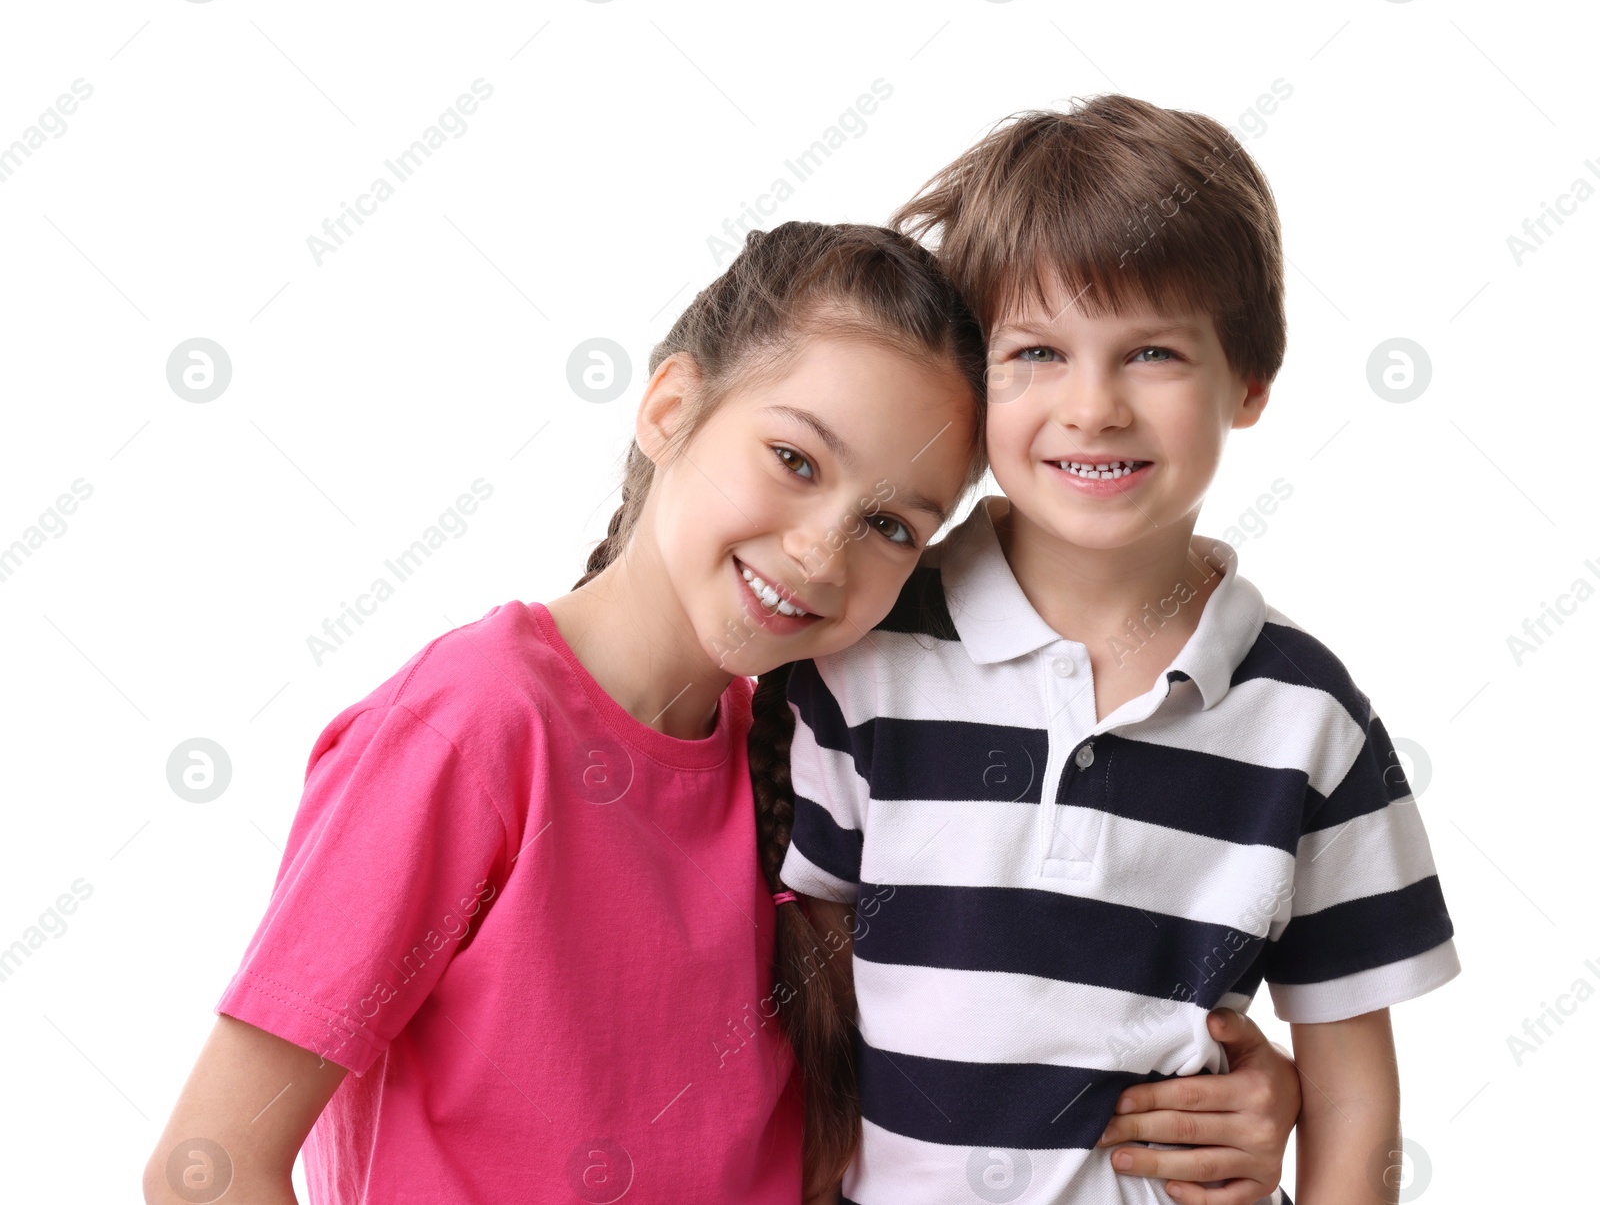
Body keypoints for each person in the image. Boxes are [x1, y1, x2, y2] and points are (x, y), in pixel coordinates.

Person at [144, 220, 1299, 1205]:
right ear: (671, 403)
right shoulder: (475, 724)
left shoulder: (819, 750)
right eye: (795, 458)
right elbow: (209, 1162)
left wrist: (1239, 1089)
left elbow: (970, 1036)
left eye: (894, 525)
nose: (818, 547)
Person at [774, 97, 1460, 1205]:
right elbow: (801, 999)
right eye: (1036, 351)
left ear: (1248, 379)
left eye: (1151, 352)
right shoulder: (867, 655)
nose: (1091, 407)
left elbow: (1353, 1090)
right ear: (971, 381)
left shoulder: (1307, 718)